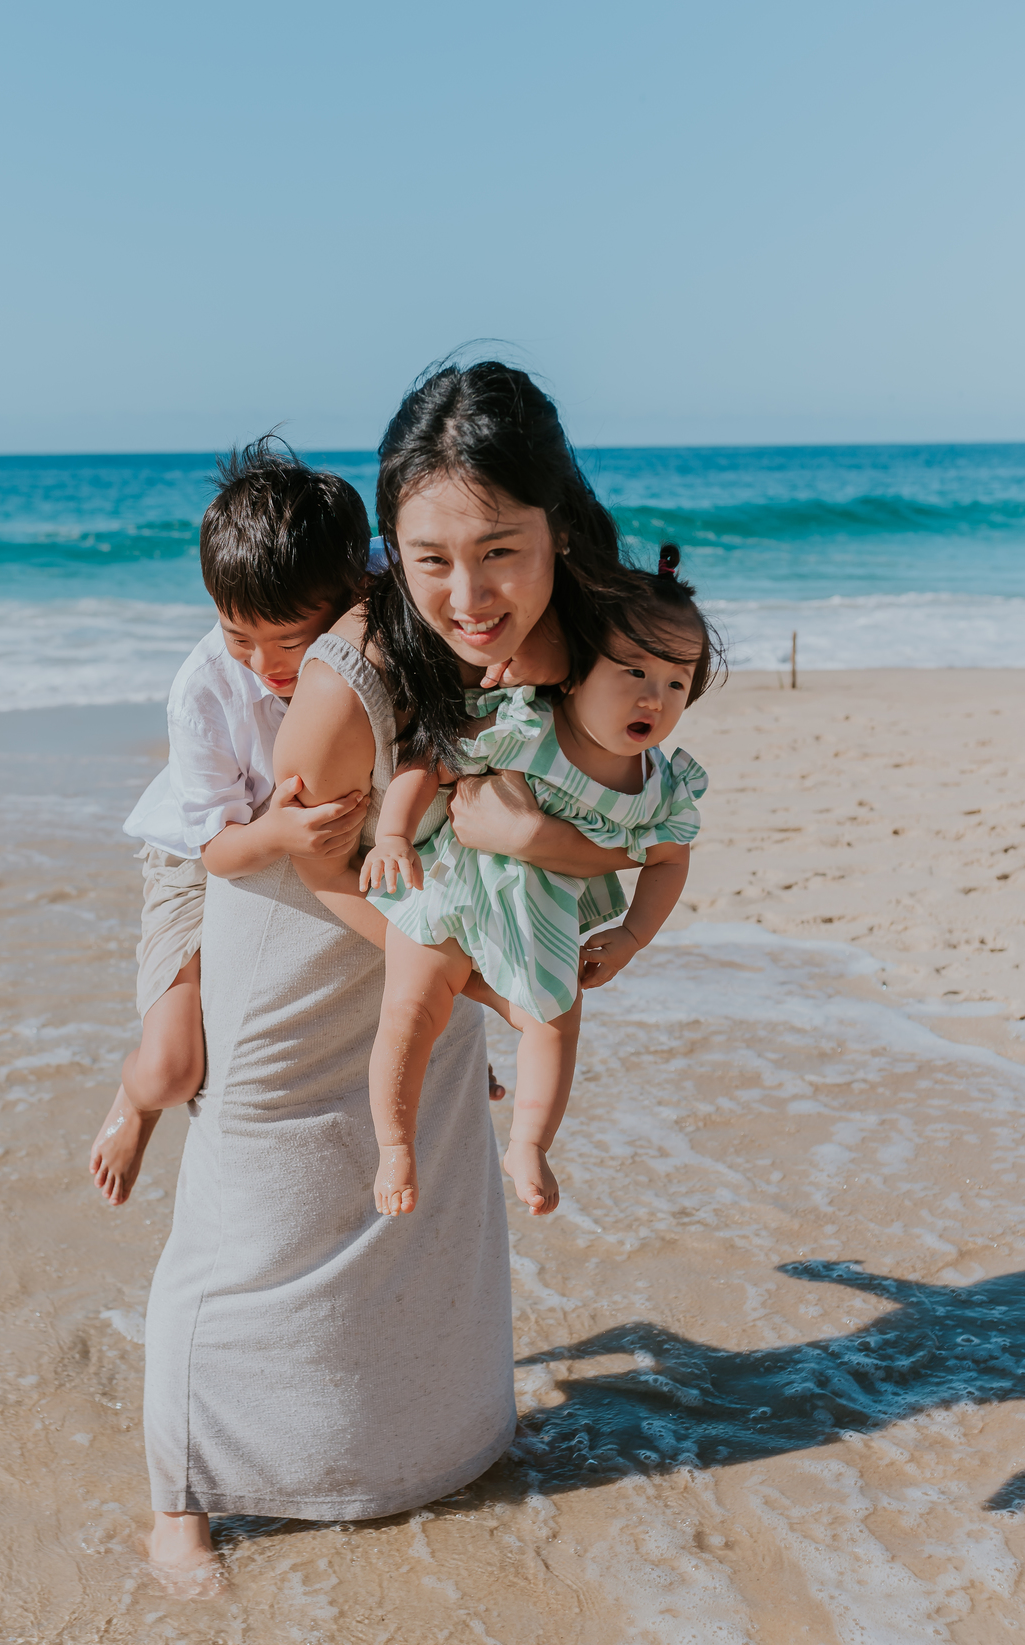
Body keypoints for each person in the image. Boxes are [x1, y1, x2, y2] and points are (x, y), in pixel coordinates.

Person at [140, 361, 658, 1577]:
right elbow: (301, 863)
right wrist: (463, 965)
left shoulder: (580, 636)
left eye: (500, 553)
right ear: (391, 552)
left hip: (435, 924)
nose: (468, 595)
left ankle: (432, 1445)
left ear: (559, 531)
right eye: (430, 559)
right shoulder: (345, 679)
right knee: (251, 1218)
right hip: (306, 938)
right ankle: (180, 1498)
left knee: (425, 1197)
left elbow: (626, 777)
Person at [360, 545, 713, 1220]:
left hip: (539, 919)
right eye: (633, 670)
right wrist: (395, 835)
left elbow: (671, 860)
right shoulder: (529, 724)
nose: (653, 696)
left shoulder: (659, 785)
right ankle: (395, 1144)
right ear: (577, 670)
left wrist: (633, 935)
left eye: (675, 681)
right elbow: (430, 761)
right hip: (452, 881)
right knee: (411, 1010)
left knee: (556, 1024)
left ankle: (528, 1142)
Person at [88, 440, 375, 1206]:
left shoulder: (376, 587)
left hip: (294, 825)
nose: (265, 663)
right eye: (238, 634)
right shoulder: (205, 689)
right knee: (175, 1068)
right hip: (201, 846)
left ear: (350, 591)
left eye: (289, 639)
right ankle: (134, 1102)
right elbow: (217, 850)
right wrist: (276, 836)